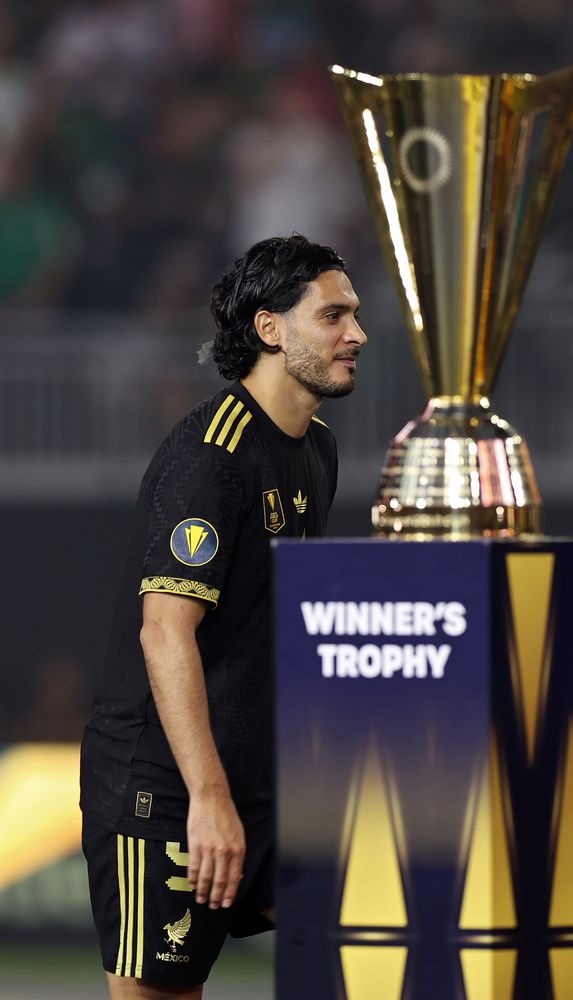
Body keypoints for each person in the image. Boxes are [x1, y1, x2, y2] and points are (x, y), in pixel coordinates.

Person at [80, 233, 367, 999]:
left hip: (264, 780)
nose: (357, 336)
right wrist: (207, 799)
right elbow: (164, 630)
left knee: (373, 940)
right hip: (168, 788)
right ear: (271, 329)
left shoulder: (318, 451)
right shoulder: (210, 456)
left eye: (355, 316)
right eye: (334, 316)